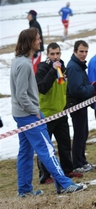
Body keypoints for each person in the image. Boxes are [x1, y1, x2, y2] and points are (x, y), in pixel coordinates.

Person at [10, 28, 87, 197]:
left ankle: (24, 191)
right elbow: (21, 94)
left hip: (20, 113)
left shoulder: (20, 60)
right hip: (28, 115)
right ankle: (65, 184)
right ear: (30, 42)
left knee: (26, 151)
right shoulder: (23, 64)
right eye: (37, 39)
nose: (40, 41)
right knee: (47, 149)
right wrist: (34, 111)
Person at [35, 42, 83, 184]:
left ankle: (67, 170)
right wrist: (52, 71)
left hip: (61, 112)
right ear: (47, 55)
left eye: (58, 53)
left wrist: (68, 104)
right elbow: (42, 88)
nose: (55, 57)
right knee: (46, 147)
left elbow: (66, 89)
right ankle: (44, 175)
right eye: (52, 54)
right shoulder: (42, 69)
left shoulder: (64, 68)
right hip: (47, 114)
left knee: (64, 143)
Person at [67, 40, 96, 173]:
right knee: (79, 134)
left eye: (86, 51)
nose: (84, 54)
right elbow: (76, 89)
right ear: (75, 51)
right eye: (81, 51)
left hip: (82, 104)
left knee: (83, 133)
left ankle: (82, 160)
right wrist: (92, 88)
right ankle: (77, 164)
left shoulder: (80, 65)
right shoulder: (73, 67)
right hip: (76, 104)